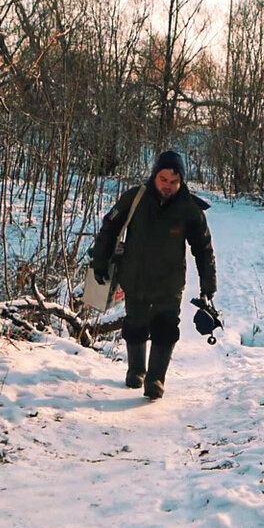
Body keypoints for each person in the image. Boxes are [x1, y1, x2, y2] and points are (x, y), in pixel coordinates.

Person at [91, 151, 217, 399]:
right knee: (135, 323)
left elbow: (203, 249)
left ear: (181, 181)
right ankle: (136, 371)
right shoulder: (135, 198)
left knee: (166, 328)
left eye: (174, 181)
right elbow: (109, 228)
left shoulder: (189, 208)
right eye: (163, 179)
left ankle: (156, 379)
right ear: (154, 176)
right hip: (134, 276)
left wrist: (208, 284)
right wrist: (100, 261)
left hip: (170, 282)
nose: (168, 186)